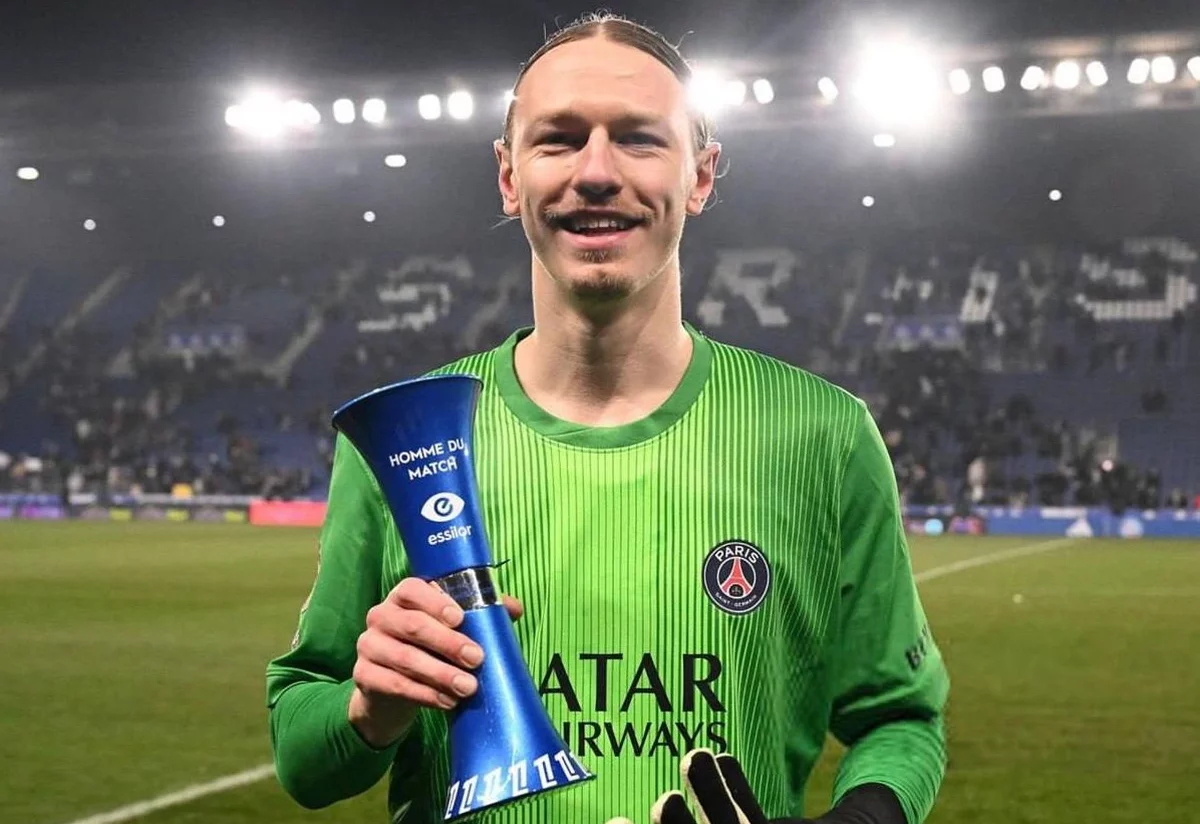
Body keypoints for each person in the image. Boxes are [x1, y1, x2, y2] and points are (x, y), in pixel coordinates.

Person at [266, 12, 949, 824]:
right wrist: (367, 709)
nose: (595, 171)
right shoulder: (406, 438)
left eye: (639, 139)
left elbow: (900, 719)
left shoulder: (822, 436)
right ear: (509, 176)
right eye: (559, 139)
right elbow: (302, 753)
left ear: (700, 175)